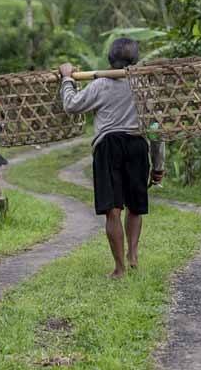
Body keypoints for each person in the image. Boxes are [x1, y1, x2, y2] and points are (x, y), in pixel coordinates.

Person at [59, 38, 165, 278]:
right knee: (135, 207)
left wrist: (67, 78)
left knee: (113, 210)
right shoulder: (143, 86)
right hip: (138, 145)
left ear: (110, 60)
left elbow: (71, 105)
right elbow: (156, 128)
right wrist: (158, 164)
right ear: (135, 61)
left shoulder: (100, 85)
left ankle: (119, 268)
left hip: (108, 146)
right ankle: (133, 254)